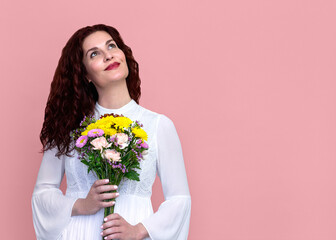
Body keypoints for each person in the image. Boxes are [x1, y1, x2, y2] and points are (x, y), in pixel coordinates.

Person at [31, 24, 191, 240]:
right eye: (94, 53)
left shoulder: (158, 125)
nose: (108, 56)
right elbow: (42, 194)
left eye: (112, 46)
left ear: (123, 54)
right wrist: (81, 205)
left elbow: (179, 199)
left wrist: (140, 229)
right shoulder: (70, 127)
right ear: (85, 73)